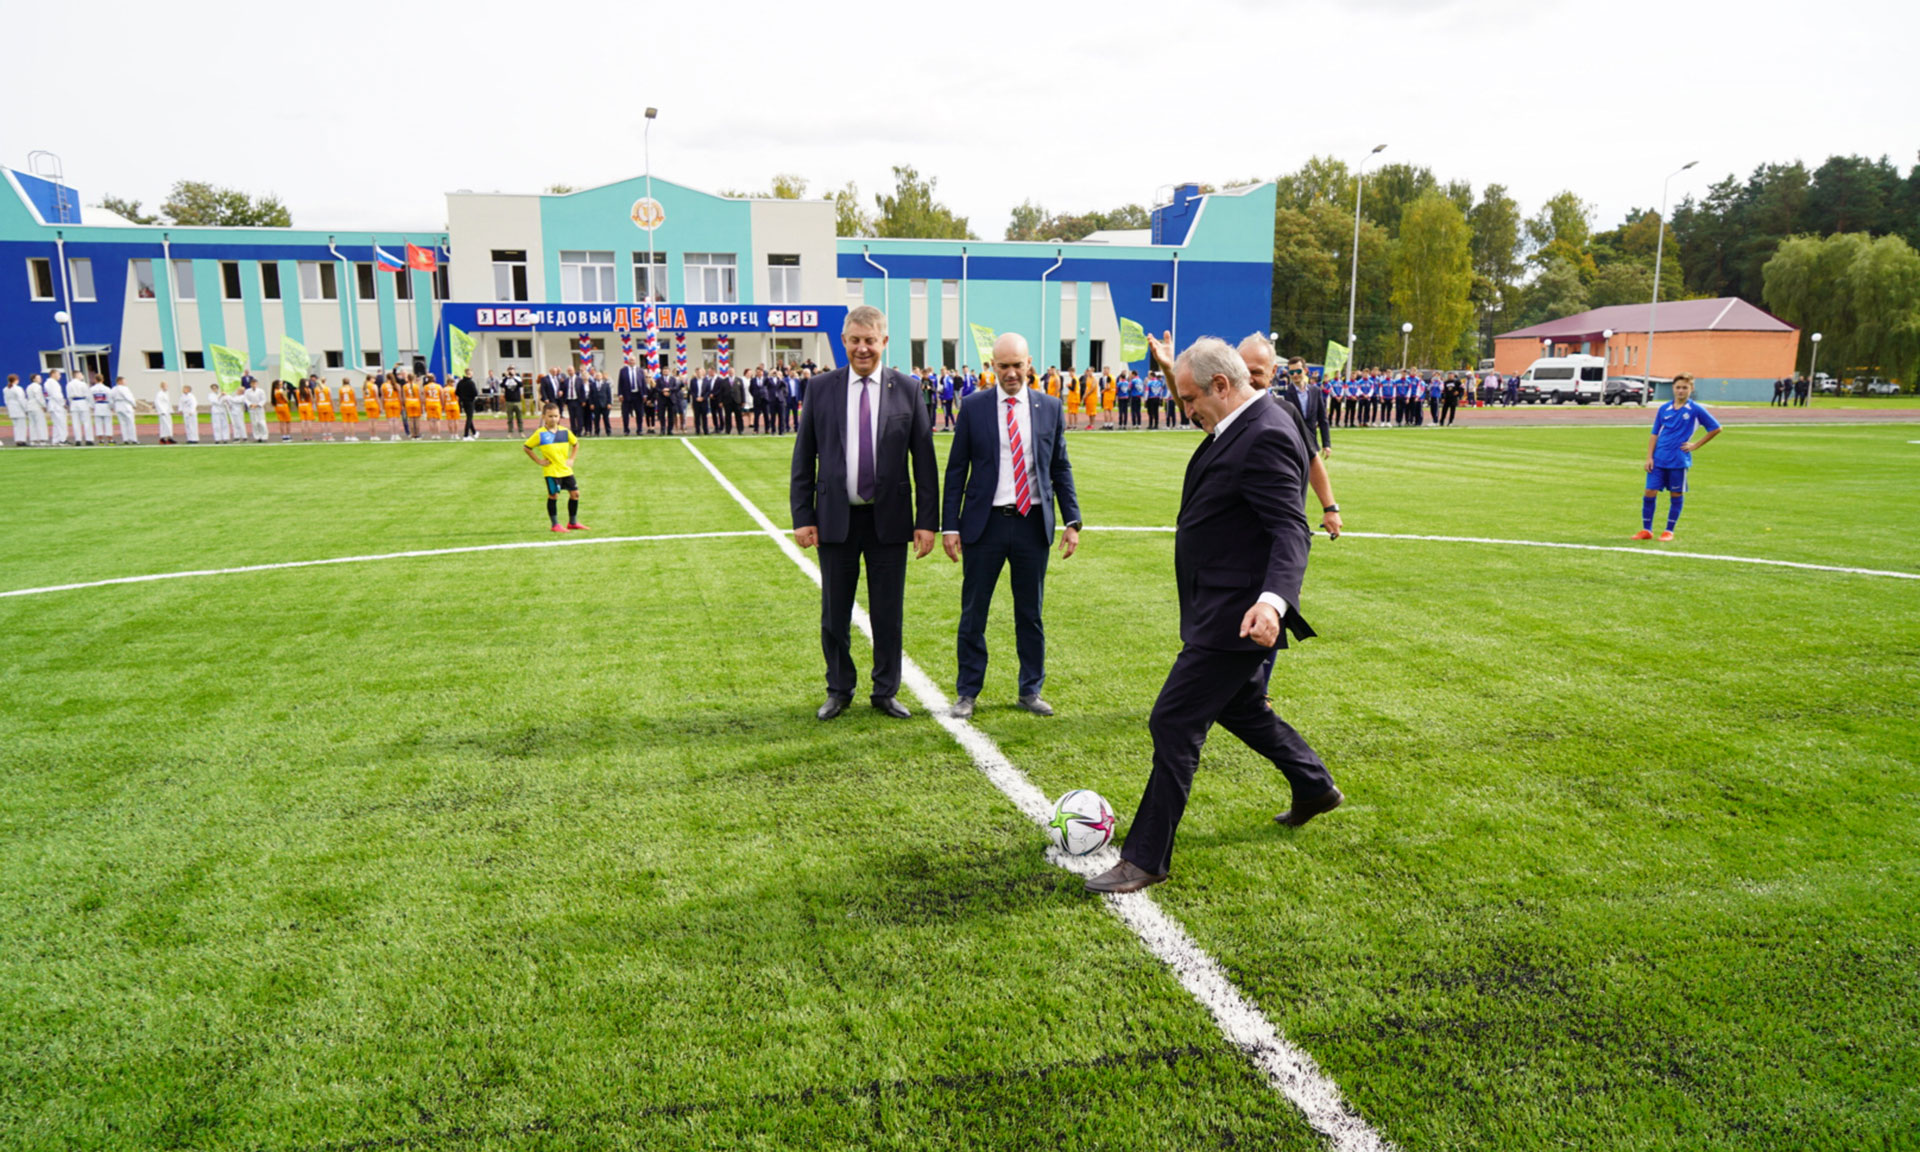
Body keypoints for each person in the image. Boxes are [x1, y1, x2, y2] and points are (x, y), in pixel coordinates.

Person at [1085, 334, 1342, 895]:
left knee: (1173, 721)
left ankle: (1146, 857)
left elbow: (1290, 530)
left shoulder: (1267, 431)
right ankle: (1314, 785)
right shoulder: (1248, 418)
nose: (1186, 410)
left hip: (1236, 616)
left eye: (1188, 400)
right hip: (1220, 606)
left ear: (1222, 387)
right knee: (1244, 709)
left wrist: (1273, 602)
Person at [789, 304, 938, 721]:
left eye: (870, 340)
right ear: (844, 342)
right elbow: (804, 458)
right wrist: (802, 515)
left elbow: (924, 463)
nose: (862, 348)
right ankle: (839, 689)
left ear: (884, 342)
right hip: (836, 518)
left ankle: (885, 691)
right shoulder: (821, 389)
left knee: (888, 612)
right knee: (834, 612)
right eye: (855, 340)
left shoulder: (907, 390)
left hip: (889, 522)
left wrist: (927, 522)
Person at [942, 332, 1081, 719]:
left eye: (1017, 365)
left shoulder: (1050, 408)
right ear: (992, 366)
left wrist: (1072, 520)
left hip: (1031, 524)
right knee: (974, 612)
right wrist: (949, 526)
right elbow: (957, 470)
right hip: (984, 525)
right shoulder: (973, 407)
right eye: (1003, 366)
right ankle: (967, 692)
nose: (1011, 373)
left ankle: (1030, 690)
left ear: (1029, 363)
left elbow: (1059, 467)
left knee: (1030, 613)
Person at [1634, 373, 1721, 542]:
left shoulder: (1695, 409)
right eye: (1678, 387)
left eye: (1685, 388)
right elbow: (1654, 434)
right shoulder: (1664, 408)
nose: (1681, 391)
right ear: (1673, 389)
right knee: (1649, 491)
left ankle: (1669, 531)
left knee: (1675, 494)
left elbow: (1716, 428)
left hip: (1678, 460)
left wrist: (1695, 445)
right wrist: (1649, 457)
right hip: (1658, 459)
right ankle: (1646, 529)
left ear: (1691, 389)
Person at [523, 402, 587, 532]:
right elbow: (527, 447)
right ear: (544, 417)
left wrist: (572, 459)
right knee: (553, 496)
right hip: (551, 471)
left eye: (556, 416)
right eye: (550, 416)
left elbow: (576, 444)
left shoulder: (565, 431)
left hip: (566, 470)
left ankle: (572, 522)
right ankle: (555, 524)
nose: (553, 419)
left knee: (575, 494)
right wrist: (539, 461)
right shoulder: (540, 434)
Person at [24, 374, 50, 445]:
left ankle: (33, 440)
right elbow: (39, 397)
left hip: (30, 406)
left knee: (32, 423)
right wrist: (44, 405)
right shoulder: (38, 386)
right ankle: (42, 439)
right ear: (34, 379)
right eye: (38, 378)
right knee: (41, 423)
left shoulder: (29, 386)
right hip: (37, 406)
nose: (40, 379)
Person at [112, 376, 138, 444]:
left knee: (123, 424)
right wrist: (134, 404)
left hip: (118, 406)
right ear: (120, 381)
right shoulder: (124, 388)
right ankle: (133, 439)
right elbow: (129, 397)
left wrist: (112, 407)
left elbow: (111, 399)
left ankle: (125, 439)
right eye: (124, 381)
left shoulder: (114, 389)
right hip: (125, 405)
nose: (125, 382)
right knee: (130, 423)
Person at [4, 374, 25, 447]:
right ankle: (21, 440)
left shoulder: (6, 389)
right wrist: (25, 408)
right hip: (19, 409)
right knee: (21, 426)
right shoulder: (18, 388)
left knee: (16, 426)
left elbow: (6, 401)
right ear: (16, 380)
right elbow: (21, 399)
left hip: (11, 409)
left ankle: (17, 440)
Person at [501, 371, 524, 437]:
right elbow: (502, 385)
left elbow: (521, 384)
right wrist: (507, 377)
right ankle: (510, 432)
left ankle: (521, 432)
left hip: (517, 401)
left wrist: (513, 377)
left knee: (519, 418)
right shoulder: (506, 379)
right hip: (509, 401)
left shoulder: (517, 378)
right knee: (510, 419)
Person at [457, 373, 479, 440]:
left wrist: (462, 397)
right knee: (469, 418)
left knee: (469, 417)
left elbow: (457, 392)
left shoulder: (460, 382)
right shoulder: (471, 382)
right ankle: (466, 435)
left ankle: (474, 432)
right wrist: (471, 396)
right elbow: (475, 393)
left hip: (463, 401)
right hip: (470, 401)